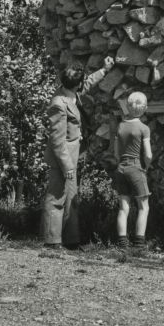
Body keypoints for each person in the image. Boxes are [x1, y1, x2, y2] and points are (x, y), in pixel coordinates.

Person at [42, 55, 114, 250]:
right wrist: (66, 165)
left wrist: (104, 69)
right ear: (75, 83)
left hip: (73, 154)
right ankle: (52, 240)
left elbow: (88, 82)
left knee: (71, 197)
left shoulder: (73, 92)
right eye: (81, 81)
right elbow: (57, 141)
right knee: (56, 197)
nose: (84, 83)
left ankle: (71, 240)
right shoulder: (58, 104)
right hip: (62, 157)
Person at [112, 91, 153, 252]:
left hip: (121, 167)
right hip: (136, 167)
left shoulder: (120, 126)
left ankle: (122, 243)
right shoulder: (144, 128)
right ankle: (139, 244)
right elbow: (148, 154)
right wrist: (146, 167)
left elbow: (115, 153)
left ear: (128, 107)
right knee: (144, 206)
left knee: (123, 207)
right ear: (145, 109)